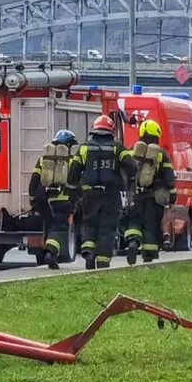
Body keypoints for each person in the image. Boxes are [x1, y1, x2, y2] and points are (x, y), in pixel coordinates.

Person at [66, 115, 129, 271]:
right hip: (110, 196)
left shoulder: (84, 148)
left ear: (94, 129)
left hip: (89, 195)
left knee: (89, 223)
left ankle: (88, 251)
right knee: (106, 228)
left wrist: (72, 192)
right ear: (111, 131)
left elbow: (74, 171)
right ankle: (102, 261)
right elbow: (131, 166)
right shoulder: (118, 148)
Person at [123, 119, 177, 265]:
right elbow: (169, 176)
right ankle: (148, 255)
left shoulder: (132, 152)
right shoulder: (161, 155)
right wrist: (172, 195)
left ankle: (133, 242)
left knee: (134, 222)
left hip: (135, 197)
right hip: (153, 198)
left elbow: (125, 173)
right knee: (150, 226)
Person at [29, 129, 77, 269]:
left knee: (50, 227)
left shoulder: (44, 159)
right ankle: (50, 252)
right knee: (60, 228)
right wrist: (76, 202)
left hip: (45, 200)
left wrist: (33, 199)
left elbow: (34, 181)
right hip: (64, 200)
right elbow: (76, 184)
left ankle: (51, 256)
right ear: (68, 145)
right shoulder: (72, 160)